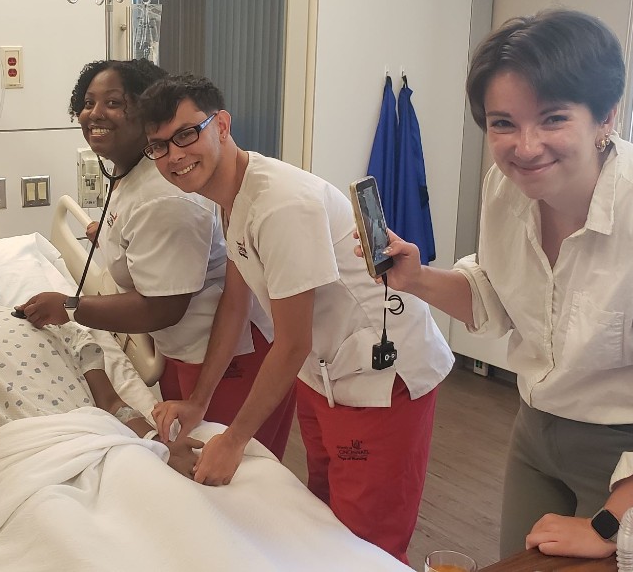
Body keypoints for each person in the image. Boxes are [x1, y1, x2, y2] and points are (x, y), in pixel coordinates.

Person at [376, 9, 633, 560]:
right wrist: (417, 278)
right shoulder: (506, 190)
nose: (525, 146)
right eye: (503, 123)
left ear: (605, 117)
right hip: (540, 427)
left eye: (552, 119)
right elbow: (499, 293)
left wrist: (604, 525)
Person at [140, 74, 453, 564]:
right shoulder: (230, 198)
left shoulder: (278, 204)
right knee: (321, 519)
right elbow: (236, 303)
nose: (173, 156)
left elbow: (291, 342)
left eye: (185, 134)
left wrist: (235, 439)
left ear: (220, 124)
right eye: (157, 147)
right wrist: (199, 401)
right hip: (321, 373)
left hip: (380, 377)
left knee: (365, 543)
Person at [17, 59, 295, 459]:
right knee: (191, 468)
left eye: (114, 102)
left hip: (229, 359)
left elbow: (162, 306)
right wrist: (107, 237)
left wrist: (69, 307)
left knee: (239, 477)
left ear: (144, 113)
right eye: (88, 102)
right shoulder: (133, 174)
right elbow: (139, 235)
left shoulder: (163, 194)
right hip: (187, 352)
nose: (95, 113)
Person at [0, 239, 202, 543]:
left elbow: (112, 403)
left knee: (175, 521)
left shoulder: (50, 318)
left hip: (96, 445)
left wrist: (160, 444)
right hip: (10, 467)